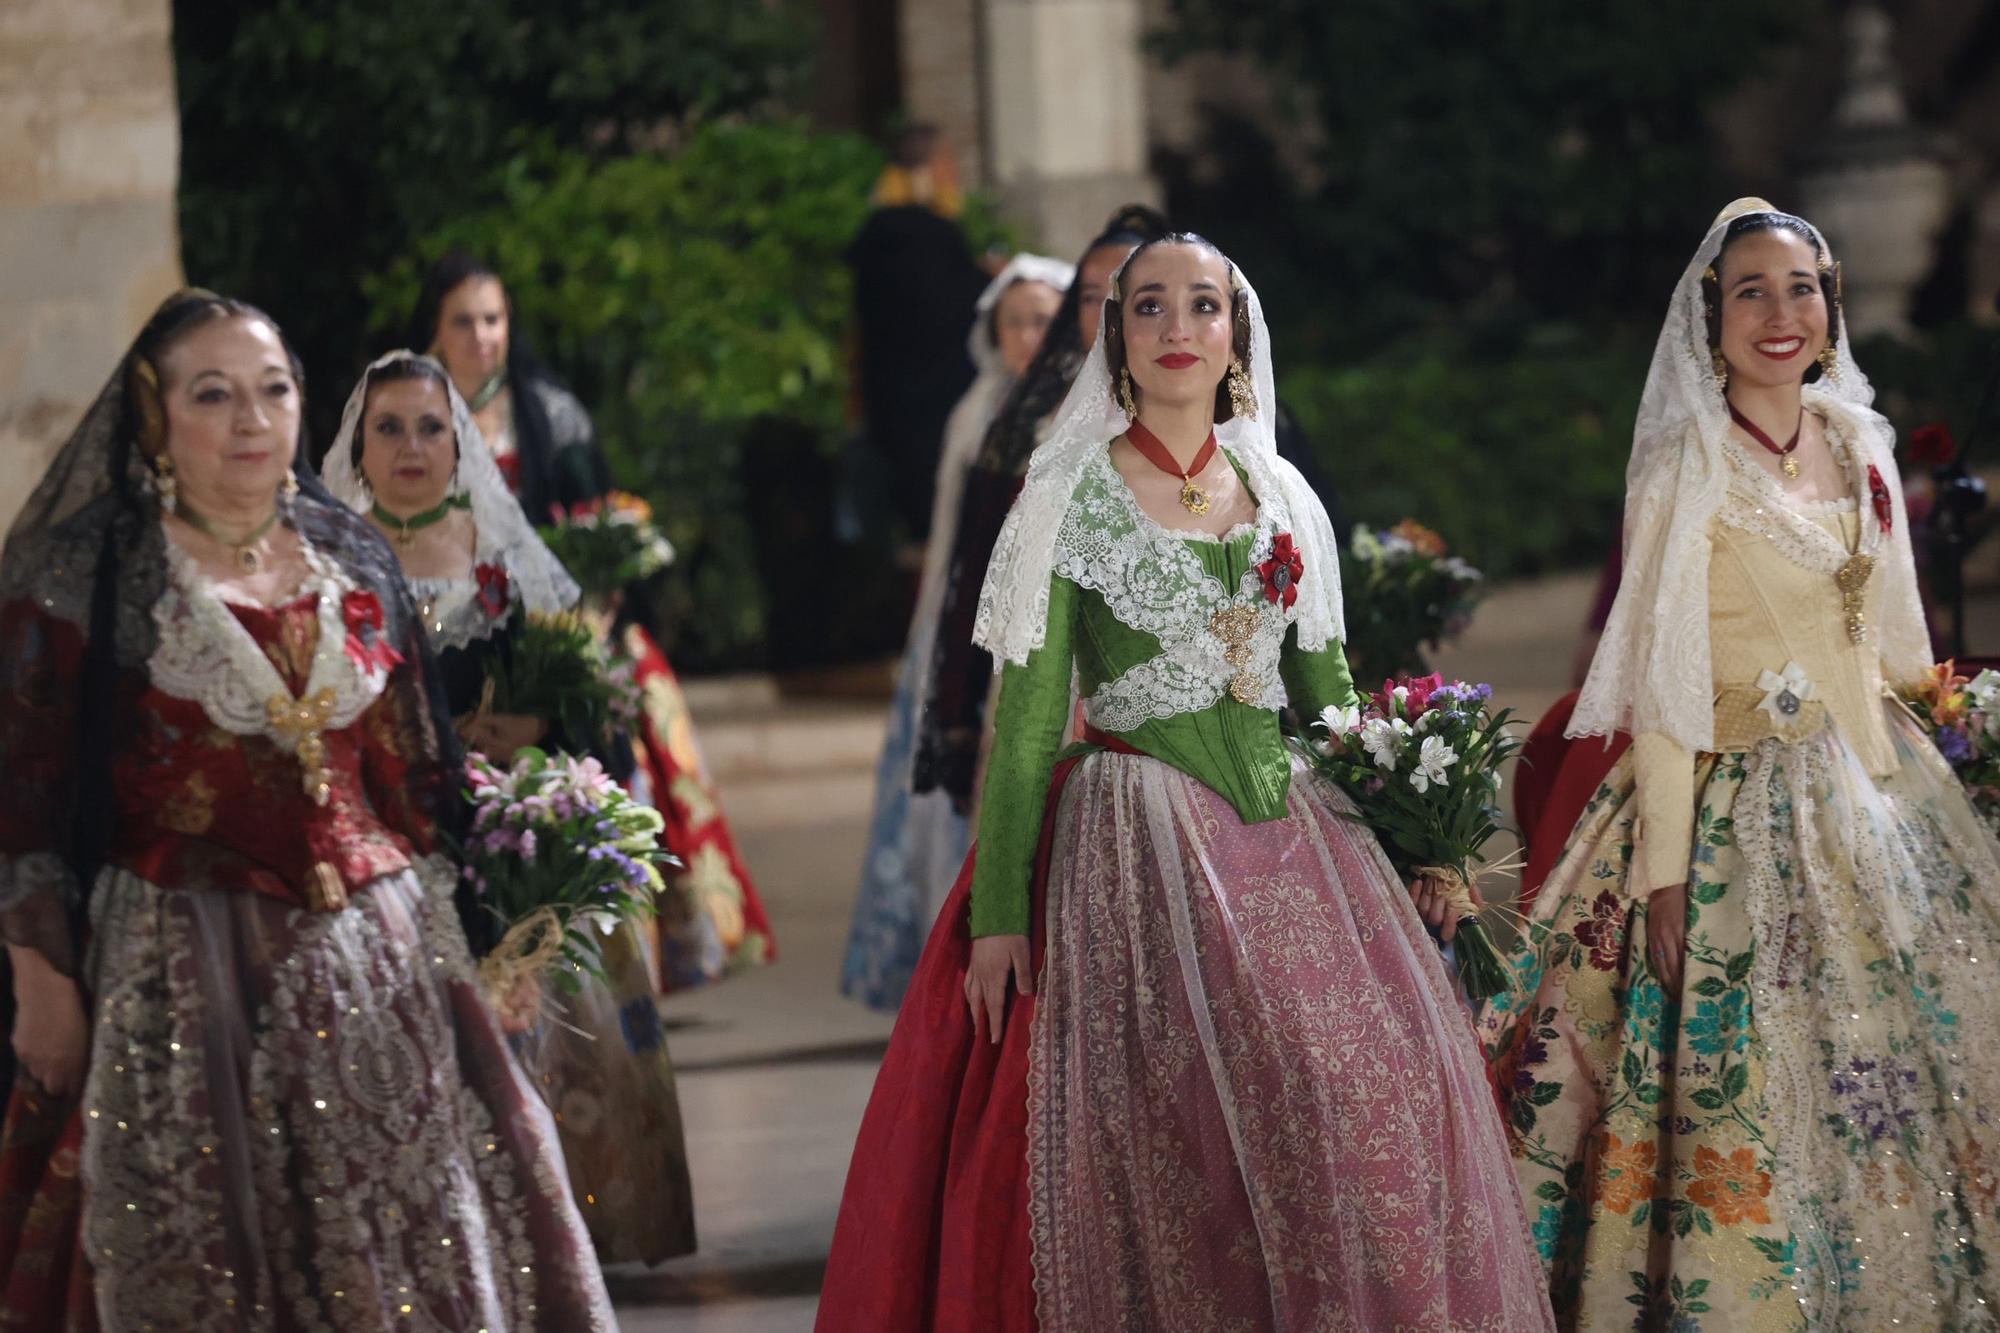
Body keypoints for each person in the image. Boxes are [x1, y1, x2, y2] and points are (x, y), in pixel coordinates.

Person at [818, 236, 1553, 1331]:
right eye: (1147, 305)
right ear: (1114, 337)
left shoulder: (1280, 489)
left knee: (1349, 1103)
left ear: (1233, 334)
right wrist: (1000, 914)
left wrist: (1420, 839)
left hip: (1296, 832)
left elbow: (1327, 694)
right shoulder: (1066, 492)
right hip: (1134, 834)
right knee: (1178, 1138)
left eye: (1199, 305)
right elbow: (1025, 725)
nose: (1174, 326)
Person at [0, 291, 614, 1328]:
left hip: (388, 971)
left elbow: (416, 781)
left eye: (272, 390)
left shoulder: (353, 558)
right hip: (181, 966)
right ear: (155, 417)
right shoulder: (87, 581)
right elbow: (23, 791)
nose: (250, 419)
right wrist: (40, 977)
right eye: (213, 395)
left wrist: (502, 920)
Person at [1480, 199, 2000, 1327]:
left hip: (1877, 786)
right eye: (1750, 291)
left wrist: (1948, 750)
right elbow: (1665, 683)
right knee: (1754, 1076)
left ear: (1831, 306)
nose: (1779, 312)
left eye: (1800, 287)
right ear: (1709, 318)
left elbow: (1901, 638)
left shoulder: (1859, 438)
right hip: (1727, 794)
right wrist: (1663, 875)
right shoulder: (1684, 464)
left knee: (1913, 1055)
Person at [323, 350, 697, 1265]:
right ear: (355, 446)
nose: (410, 446)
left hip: (517, 836)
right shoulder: (331, 564)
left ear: (459, 443)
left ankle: (566, 1240)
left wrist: (532, 731)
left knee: (565, 1051)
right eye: (389, 427)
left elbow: (595, 709)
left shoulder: (505, 551)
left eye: (430, 427)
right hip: (403, 845)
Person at [412, 255, 774, 988]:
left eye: (494, 318)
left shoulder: (548, 413)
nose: (483, 336)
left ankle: (611, 962)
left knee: (606, 773)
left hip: (562, 639)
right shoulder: (407, 417)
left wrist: (589, 623)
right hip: (443, 648)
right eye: (464, 320)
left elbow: (595, 522)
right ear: (433, 330)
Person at [842, 253, 1074, 1011]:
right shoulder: (977, 416)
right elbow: (957, 542)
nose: (1028, 336)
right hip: (975, 629)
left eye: (1042, 319)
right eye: (1014, 323)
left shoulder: (1082, 414)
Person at [911, 203, 1169, 810]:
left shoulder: (1223, 426)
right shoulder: (1031, 424)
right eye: (1088, 296)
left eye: (1134, 292)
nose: (1108, 310)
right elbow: (977, 571)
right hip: (1044, 687)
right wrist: (959, 709)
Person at [845, 127, 994, 541]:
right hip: (937, 404)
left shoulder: (875, 236)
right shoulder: (929, 236)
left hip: (890, 403)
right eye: (947, 163)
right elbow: (950, 310)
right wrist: (987, 282)